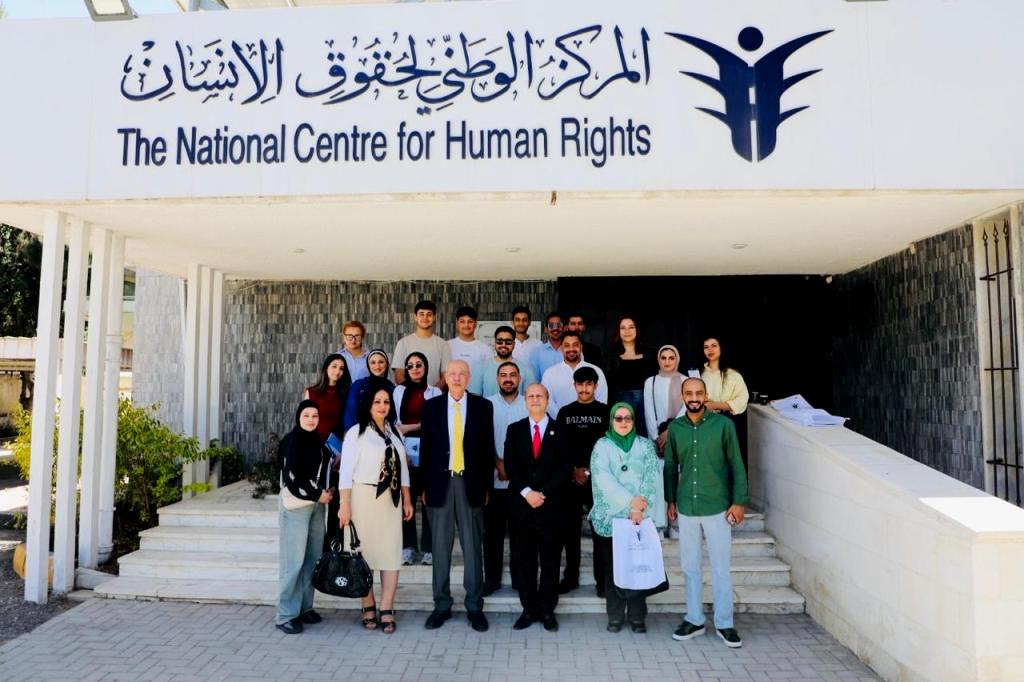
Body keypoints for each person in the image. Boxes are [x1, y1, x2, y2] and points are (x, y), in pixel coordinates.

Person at [665, 377, 748, 648]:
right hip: (687, 506)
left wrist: (739, 501)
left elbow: (737, 464)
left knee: (721, 568)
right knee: (690, 567)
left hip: (717, 506)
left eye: (698, 392)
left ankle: (725, 623)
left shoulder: (723, 425)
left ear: (705, 395)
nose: (694, 397)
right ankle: (694, 619)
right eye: (688, 393)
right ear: (682, 397)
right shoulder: (675, 428)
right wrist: (670, 500)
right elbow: (670, 466)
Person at [419, 360, 496, 632]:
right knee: (440, 548)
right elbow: (426, 450)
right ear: (445, 377)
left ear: (469, 377)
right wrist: (424, 487)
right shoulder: (431, 407)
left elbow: (487, 450)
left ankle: (474, 606)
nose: (457, 377)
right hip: (440, 483)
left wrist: (486, 487)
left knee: (473, 547)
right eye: (452, 373)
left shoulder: (483, 406)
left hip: (470, 483)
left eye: (462, 373)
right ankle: (441, 605)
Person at [339, 380, 414, 634]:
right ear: (368, 405)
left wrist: (407, 498)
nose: (382, 406)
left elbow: (403, 469)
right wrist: (344, 504)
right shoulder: (356, 433)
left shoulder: (395, 432)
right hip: (362, 498)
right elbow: (345, 472)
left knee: (390, 554)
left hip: (390, 501)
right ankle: (367, 604)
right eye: (377, 402)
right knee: (364, 555)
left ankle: (387, 607)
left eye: (386, 402)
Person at [589, 402, 660, 634]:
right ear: (611, 421)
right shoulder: (602, 445)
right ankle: (615, 616)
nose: (623, 422)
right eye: (618, 418)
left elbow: (651, 476)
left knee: (637, 567)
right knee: (613, 569)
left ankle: (637, 617)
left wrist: (638, 508)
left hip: (638, 517)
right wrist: (631, 502)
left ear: (633, 420)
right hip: (611, 518)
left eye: (627, 418)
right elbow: (603, 480)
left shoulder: (644, 445)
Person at [505, 383, 570, 632]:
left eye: (539, 396)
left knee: (550, 561)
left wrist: (543, 493)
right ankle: (528, 609)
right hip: (522, 507)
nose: (535, 399)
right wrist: (527, 493)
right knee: (525, 561)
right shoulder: (515, 430)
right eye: (530, 396)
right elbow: (511, 466)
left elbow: (565, 467)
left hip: (552, 507)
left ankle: (547, 611)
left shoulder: (561, 430)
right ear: (525, 401)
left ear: (547, 400)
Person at [275, 400, 333, 635]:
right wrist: (318, 494)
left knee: (312, 559)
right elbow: (291, 477)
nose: (311, 419)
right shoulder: (292, 441)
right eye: (306, 415)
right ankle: (286, 615)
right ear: (298, 417)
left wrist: (328, 490)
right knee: (294, 562)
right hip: (297, 507)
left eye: (314, 416)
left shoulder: (318, 441)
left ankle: (305, 607)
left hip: (316, 507)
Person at [554, 366, 607, 595]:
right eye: (580, 384)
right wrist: (574, 470)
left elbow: (608, 446)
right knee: (570, 532)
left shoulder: (605, 412)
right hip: (571, 480)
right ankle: (571, 576)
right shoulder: (565, 413)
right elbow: (559, 447)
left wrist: (591, 471)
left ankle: (602, 581)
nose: (584, 389)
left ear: (595, 386)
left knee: (599, 532)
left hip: (598, 480)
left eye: (589, 384)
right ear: (574, 386)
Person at [393, 352, 442, 566]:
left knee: (428, 497)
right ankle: (409, 547)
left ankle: (429, 548)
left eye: (419, 365)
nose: (415, 369)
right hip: (404, 451)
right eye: (410, 365)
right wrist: (414, 429)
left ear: (426, 367)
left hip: (430, 450)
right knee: (407, 498)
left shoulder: (435, 392)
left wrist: (411, 427)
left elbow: (436, 423)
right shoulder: (398, 391)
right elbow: (394, 424)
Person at [484, 361, 528, 596]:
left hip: (521, 483)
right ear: (497, 379)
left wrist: (512, 468)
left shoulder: (529, 403)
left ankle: (521, 581)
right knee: (492, 535)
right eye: (503, 375)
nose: (508, 379)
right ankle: (491, 581)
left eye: (512, 375)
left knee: (521, 535)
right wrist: (497, 462)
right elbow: (479, 439)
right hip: (493, 480)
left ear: (519, 378)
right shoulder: (486, 405)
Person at [303, 353, 352, 549]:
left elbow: (347, 426)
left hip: (336, 452)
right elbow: (303, 423)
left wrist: (344, 452)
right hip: (315, 450)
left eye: (341, 368)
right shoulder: (311, 392)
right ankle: (312, 545)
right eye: (334, 366)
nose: (337, 371)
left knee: (334, 497)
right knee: (315, 496)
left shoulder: (345, 394)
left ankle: (332, 545)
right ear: (326, 368)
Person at [700, 336, 750, 470]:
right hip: (704, 424)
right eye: (706, 347)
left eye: (714, 345)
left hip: (726, 423)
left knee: (727, 464)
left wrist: (716, 405)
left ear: (721, 347)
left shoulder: (733, 375)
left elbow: (742, 400)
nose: (710, 350)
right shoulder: (700, 374)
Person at [607, 316, 657, 437]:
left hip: (645, 402)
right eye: (623, 328)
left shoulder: (649, 354)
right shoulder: (611, 355)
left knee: (644, 435)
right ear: (618, 331)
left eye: (631, 327)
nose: (627, 331)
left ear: (637, 330)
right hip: (622, 402)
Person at [541, 331, 608, 415]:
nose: (571, 349)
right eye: (567, 345)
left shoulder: (596, 371)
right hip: (559, 421)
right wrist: (563, 419)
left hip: (592, 421)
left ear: (581, 347)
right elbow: (547, 401)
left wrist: (586, 419)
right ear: (561, 348)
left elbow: (601, 399)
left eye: (575, 345)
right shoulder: (549, 374)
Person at [393, 299, 451, 387]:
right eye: (421, 314)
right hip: (409, 394)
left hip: (435, 394)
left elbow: (446, 376)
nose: (425, 318)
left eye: (429, 314)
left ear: (434, 317)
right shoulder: (403, 343)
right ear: (415, 317)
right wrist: (415, 393)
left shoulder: (443, 345)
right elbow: (399, 376)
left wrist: (433, 392)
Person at [469, 325, 536, 397]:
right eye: (500, 342)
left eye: (508, 342)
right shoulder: (480, 368)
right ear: (495, 343)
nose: (503, 345)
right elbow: (474, 398)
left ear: (514, 344)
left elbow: (530, 399)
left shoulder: (526, 371)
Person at [643, 345, 685, 453]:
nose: (667, 362)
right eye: (663, 358)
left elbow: (686, 409)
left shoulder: (686, 381)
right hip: (657, 436)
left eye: (671, 358)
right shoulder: (651, 382)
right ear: (658, 360)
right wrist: (657, 438)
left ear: (677, 360)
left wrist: (670, 431)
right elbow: (649, 412)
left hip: (681, 432)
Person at [343, 349, 392, 431]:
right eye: (373, 362)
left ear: (386, 364)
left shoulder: (391, 388)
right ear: (368, 365)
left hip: (384, 434)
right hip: (360, 434)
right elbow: (350, 415)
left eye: (381, 362)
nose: (377, 366)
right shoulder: (359, 386)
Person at [447, 305, 491, 372]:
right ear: (457, 323)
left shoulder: (485, 349)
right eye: (462, 321)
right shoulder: (447, 346)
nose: (466, 325)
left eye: (470, 322)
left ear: (475, 324)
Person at [530, 311, 566, 380]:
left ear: (564, 328)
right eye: (551, 326)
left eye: (558, 325)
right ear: (546, 330)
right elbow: (535, 380)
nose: (555, 329)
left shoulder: (571, 351)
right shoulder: (537, 353)